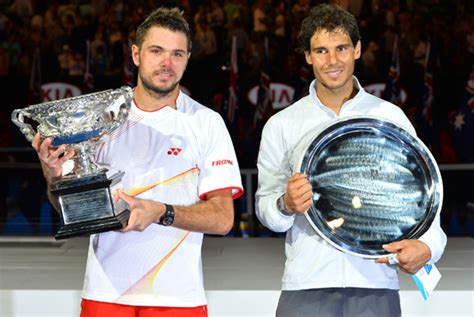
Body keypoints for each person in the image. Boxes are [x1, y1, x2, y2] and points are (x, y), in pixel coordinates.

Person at [32, 7, 243, 317]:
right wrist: (54, 177)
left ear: (187, 59)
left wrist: (161, 212)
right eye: (156, 51)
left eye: (177, 54)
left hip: (178, 299)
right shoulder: (98, 119)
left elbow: (223, 219)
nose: (166, 63)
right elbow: (67, 207)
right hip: (105, 293)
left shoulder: (205, 122)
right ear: (136, 54)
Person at [255, 4, 446, 317]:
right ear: (308, 55)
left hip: (376, 282)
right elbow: (266, 209)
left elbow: (422, 202)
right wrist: (285, 204)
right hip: (306, 284)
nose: (332, 61)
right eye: (321, 50)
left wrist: (428, 248)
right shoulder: (283, 124)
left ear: (357, 49)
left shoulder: (389, 117)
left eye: (341, 48)